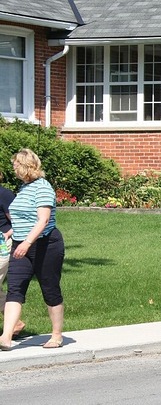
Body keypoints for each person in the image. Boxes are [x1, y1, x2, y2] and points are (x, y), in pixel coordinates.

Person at [0, 149, 65, 350]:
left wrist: (27, 242)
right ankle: (6, 337)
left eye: (15, 165)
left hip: (46, 245)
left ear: (25, 166)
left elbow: (43, 220)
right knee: (15, 289)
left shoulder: (43, 187)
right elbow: (21, 216)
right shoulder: (24, 187)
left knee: (50, 288)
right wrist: (13, 232)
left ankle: (56, 335)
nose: (13, 169)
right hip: (20, 244)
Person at [0, 172, 25, 337]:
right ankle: (15, 323)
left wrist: (8, 233)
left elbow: (18, 221)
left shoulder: (4, 194)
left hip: (2, 244)